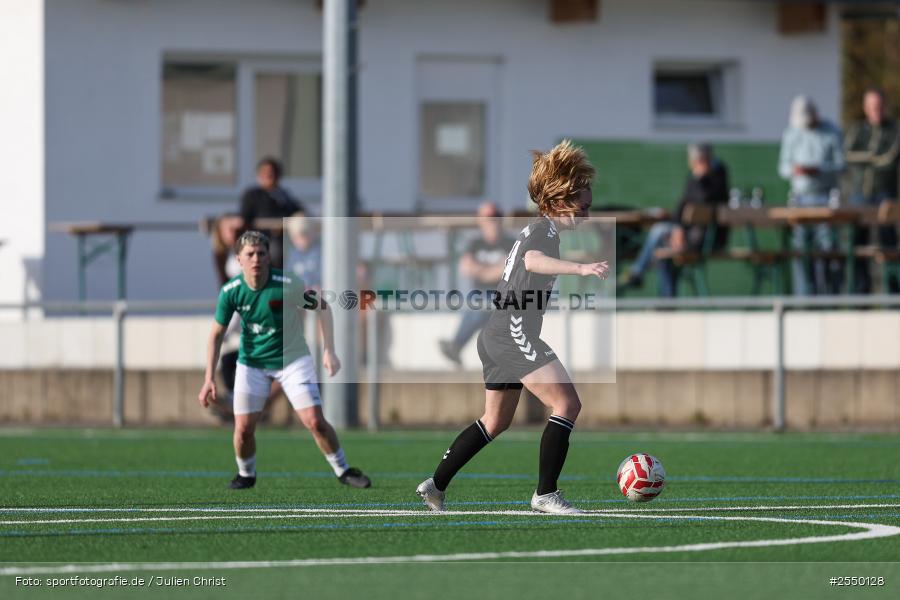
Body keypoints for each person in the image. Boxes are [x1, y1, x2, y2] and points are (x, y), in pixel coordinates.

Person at [416, 140, 609, 514]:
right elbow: (534, 261)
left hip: (497, 333)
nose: (585, 216)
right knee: (567, 402)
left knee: (495, 420)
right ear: (557, 201)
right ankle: (545, 494)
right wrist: (580, 269)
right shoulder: (543, 233)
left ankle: (436, 484)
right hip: (511, 332)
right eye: (581, 208)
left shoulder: (537, 229)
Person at [198, 231, 371, 490]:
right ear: (239, 259)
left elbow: (323, 306)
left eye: (261, 253)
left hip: (292, 360)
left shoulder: (286, 284)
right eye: (250, 254)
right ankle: (246, 474)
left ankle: (343, 470)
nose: (256, 259)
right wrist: (208, 378)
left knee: (314, 421)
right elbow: (216, 334)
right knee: (243, 428)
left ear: (269, 257)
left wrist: (329, 350)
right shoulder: (231, 291)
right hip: (252, 363)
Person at [618, 143, 729, 297]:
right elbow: (682, 204)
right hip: (688, 235)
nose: (691, 163)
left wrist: (700, 178)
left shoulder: (714, 176)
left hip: (704, 239)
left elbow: (703, 202)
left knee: (658, 232)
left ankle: (637, 272)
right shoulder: (694, 177)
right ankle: (667, 301)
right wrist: (678, 227)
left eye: (694, 159)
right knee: (662, 249)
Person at [778, 95, 845, 295]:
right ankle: (804, 296)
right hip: (800, 198)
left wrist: (819, 169)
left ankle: (829, 295)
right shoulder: (791, 134)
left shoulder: (831, 132)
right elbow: (782, 167)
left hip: (825, 196)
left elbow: (841, 164)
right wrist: (796, 170)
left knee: (827, 248)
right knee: (801, 250)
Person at [438, 202, 516, 365]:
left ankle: (457, 345)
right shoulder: (475, 244)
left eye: (494, 218)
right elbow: (465, 267)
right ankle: (457, 346)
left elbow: (507, 270)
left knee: (483, 303)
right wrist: (491, 271)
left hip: (505, 299)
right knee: (479, 305)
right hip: (481, 298)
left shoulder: (511, 243)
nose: (491, 223)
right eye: (486, 219)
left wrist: (481, 270)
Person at [844, 89, 900, 293]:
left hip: (885, 196)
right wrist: (873, 156)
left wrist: (867, 158)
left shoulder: (894, 130)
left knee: (888, 245)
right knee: (857, 245)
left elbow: (889, 158)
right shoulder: (858, 130)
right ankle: (860, 296)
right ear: (865, 108)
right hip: (860, 195)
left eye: (880, 106)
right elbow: (848, 154)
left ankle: (894, 297)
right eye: (873, 107)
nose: (877, 110)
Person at [240, 157, 304, 269]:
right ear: (258, 175)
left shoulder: (284, 195)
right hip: (262, 240)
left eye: (272, 173)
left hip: (287, 239)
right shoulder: (253, 195)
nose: (269, 176)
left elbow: (298, 212)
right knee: (275, 252)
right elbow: (244, 218)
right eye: (265, 173)